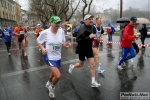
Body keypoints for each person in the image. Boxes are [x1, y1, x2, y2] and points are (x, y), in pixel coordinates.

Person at [36, 16, 71, 98]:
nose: (58, 24)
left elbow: (62, 43)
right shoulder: (45, 32)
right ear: (50, 23)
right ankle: (51, 87)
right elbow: (38, 41)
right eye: (56, 23)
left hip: (58, 56)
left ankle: (48, 82)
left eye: (59, 22)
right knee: (58, 76)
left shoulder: (61, 31)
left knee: (53, 73)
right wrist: (42, 48)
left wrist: (65, 45)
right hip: (49, 57)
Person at [68, 14, 101, 87]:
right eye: (89, 19)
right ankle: (72, 66)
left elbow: (91, 37)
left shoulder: (92, 27)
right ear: (85, 20)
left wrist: (95, 38)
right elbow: (78, 39)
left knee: (92, 65)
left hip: (89, 48)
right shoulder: (82, 28)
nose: (91, 20)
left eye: (92, 19)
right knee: (81, 64)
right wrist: (89, 37)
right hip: (82, 49)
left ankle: (93, 82)